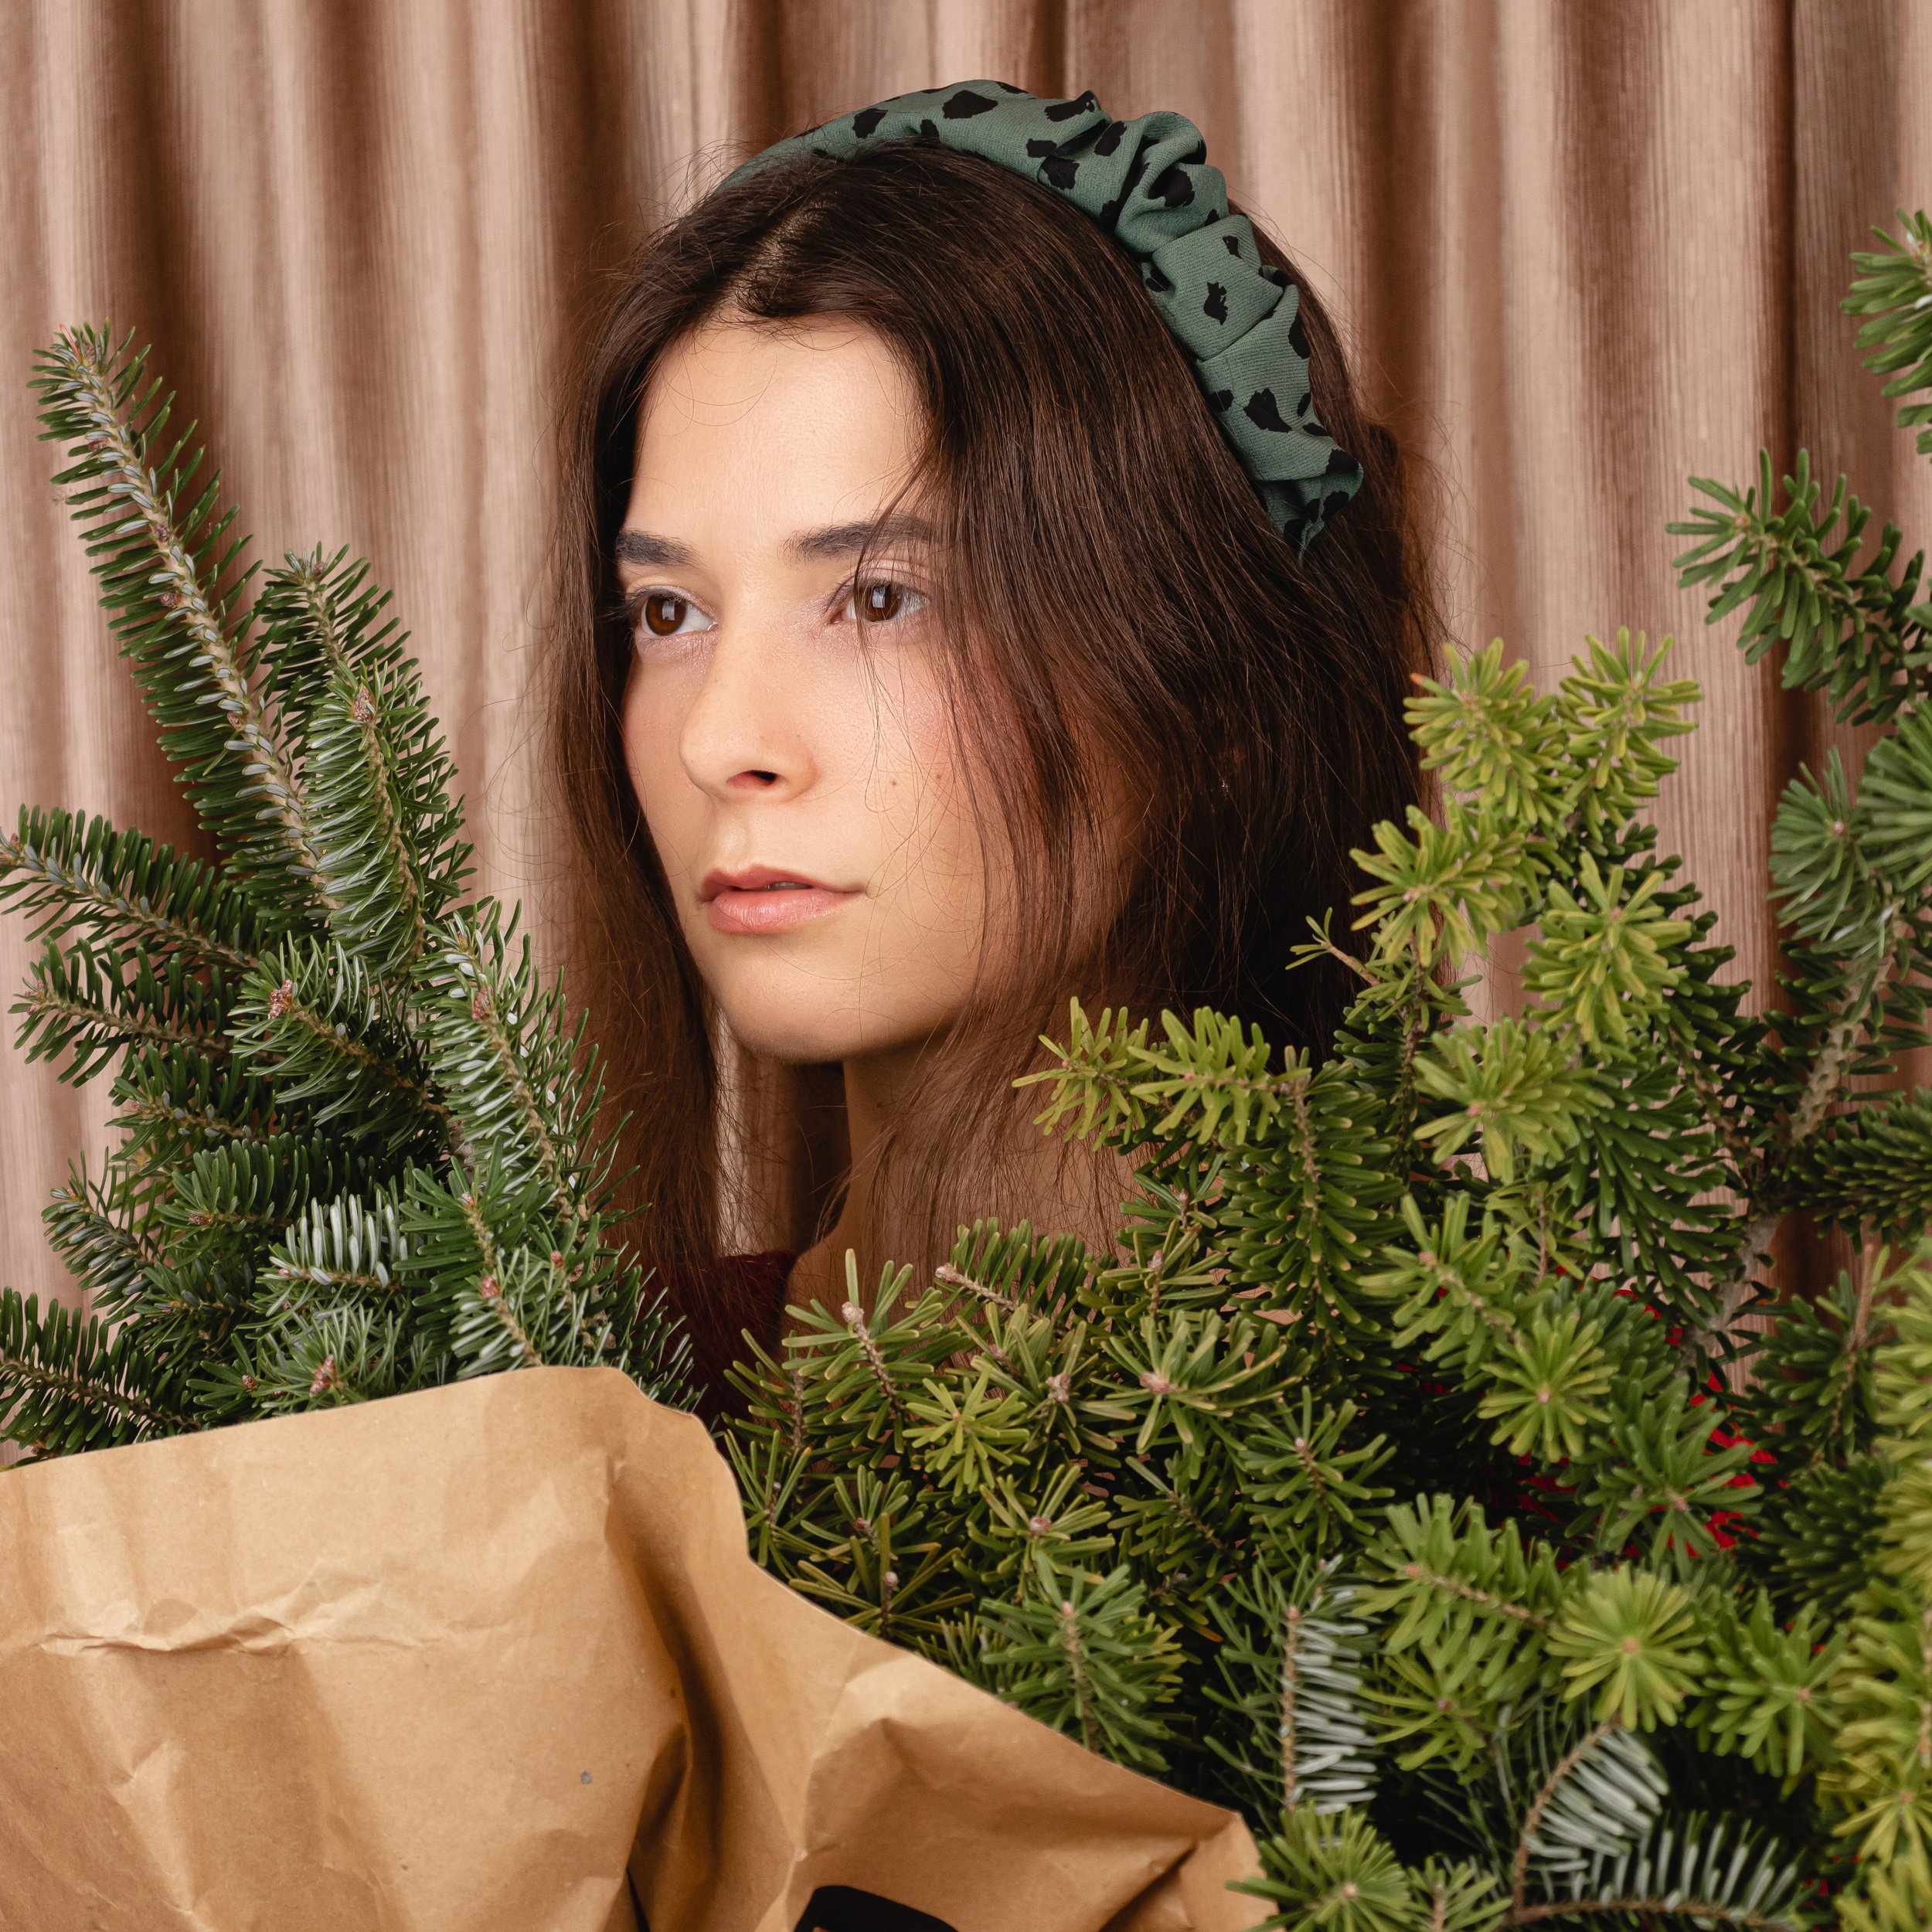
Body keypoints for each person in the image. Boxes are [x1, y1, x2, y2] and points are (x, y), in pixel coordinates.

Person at [550, 83, 1434, 1411]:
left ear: (1217, 697)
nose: (722, 740)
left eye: (883, 600)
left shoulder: (1513, 1473)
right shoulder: (571, 1412)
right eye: (669, 613)